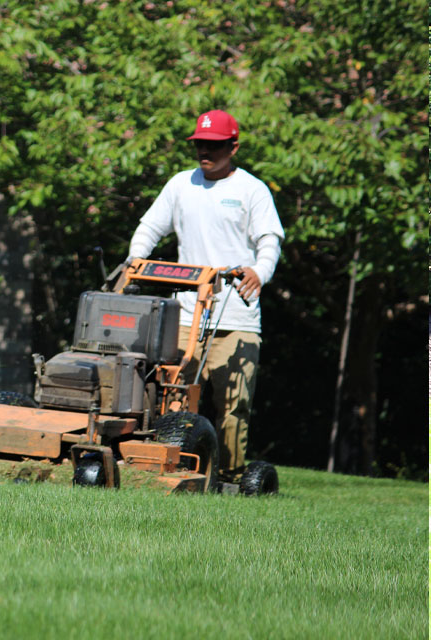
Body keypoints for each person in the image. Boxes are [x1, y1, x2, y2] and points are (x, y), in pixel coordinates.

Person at [127, 109, 285, 481]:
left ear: (233, 147)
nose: (205, 151)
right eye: (200, 143)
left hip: (236, 315)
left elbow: (269, 241)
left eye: (214, 145)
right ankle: (174, 465)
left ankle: (231, 475)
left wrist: (260, 272)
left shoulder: (252, 190)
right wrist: (136, 260)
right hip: (186, 314)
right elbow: (149, 228)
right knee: (174, 391)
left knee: (234, 404)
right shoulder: (181, 185)